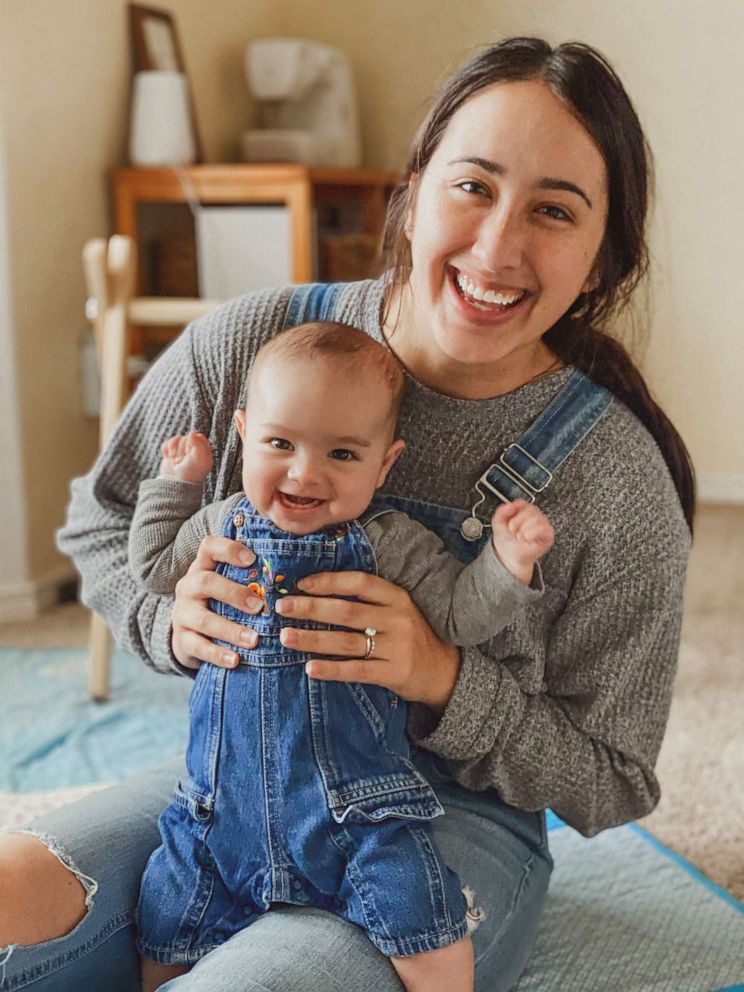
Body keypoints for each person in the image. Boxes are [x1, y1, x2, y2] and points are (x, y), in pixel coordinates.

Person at [0, 36, 694, 992]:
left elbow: (613, 775)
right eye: (472, 186)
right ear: (411, 193)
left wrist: (442, 676)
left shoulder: (616, 477)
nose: (497, 247)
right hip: (232, 787)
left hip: (451, 828)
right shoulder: (254, 342)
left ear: (604, 252)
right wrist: (166, 623)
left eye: (554, 210)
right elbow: (103, 515)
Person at [128, 320, 555, 992]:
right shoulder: (219, 524)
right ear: (244, 432)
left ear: (386, 464)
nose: (305, 473)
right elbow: (154, 568)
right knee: (167, 918)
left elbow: (460, 617)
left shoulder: (388, 540)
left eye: (344, 456)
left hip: (359, 814)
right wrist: (176, 487)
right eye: (279, 443)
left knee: (427, 922)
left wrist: (508, 563)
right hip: (217, 810)